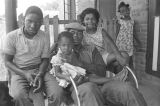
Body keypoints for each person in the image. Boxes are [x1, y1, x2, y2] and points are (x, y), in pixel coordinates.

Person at [64, 22, 147, 106]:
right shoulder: (61, 53)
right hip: (80, 87)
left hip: (102, 85)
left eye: (79, 33)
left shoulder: (91, 49)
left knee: (127, 89)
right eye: (72, 33)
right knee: (90, 89)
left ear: (83, 35)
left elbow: (101, 70)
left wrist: (82, 66)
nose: (76, 35)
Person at [4, 6, 63, 106]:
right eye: (29, 21)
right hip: (19, 71)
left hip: (40, 70)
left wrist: (40, 74)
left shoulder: (44, 36)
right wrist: (25, 74)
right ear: (23, 20)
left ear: (41, 22)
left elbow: (45, 59)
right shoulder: (12, 37)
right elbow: (7, 62)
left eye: (37, 22)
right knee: (18, 95)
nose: (33, 25)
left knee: (57, 92)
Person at [50, 31, 105, 106]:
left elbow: (77, 65)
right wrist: (67, 77)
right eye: (63, 45)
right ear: (59, 45)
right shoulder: (57, 58)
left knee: (89, 77)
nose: (66, 48)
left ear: (72, 45)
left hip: (73, 74)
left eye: (69, 45)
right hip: (65, 77)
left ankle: (111, 80)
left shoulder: (72, 54)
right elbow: (57, 73)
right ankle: (70, 95)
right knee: (73, 85)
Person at [115, 2, 141, 68]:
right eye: (123, 11)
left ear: (129, 10)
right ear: (120, 13)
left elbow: (133, 33)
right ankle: (121, 75)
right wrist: (115, 46)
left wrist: (138, 41)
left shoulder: (132, 22)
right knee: (121, 61)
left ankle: (130, 75)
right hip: (121, 45)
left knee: (130, 60)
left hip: (129, 44)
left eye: (127, 10)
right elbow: (117, 34)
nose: (125, 12)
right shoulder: (119, 22)